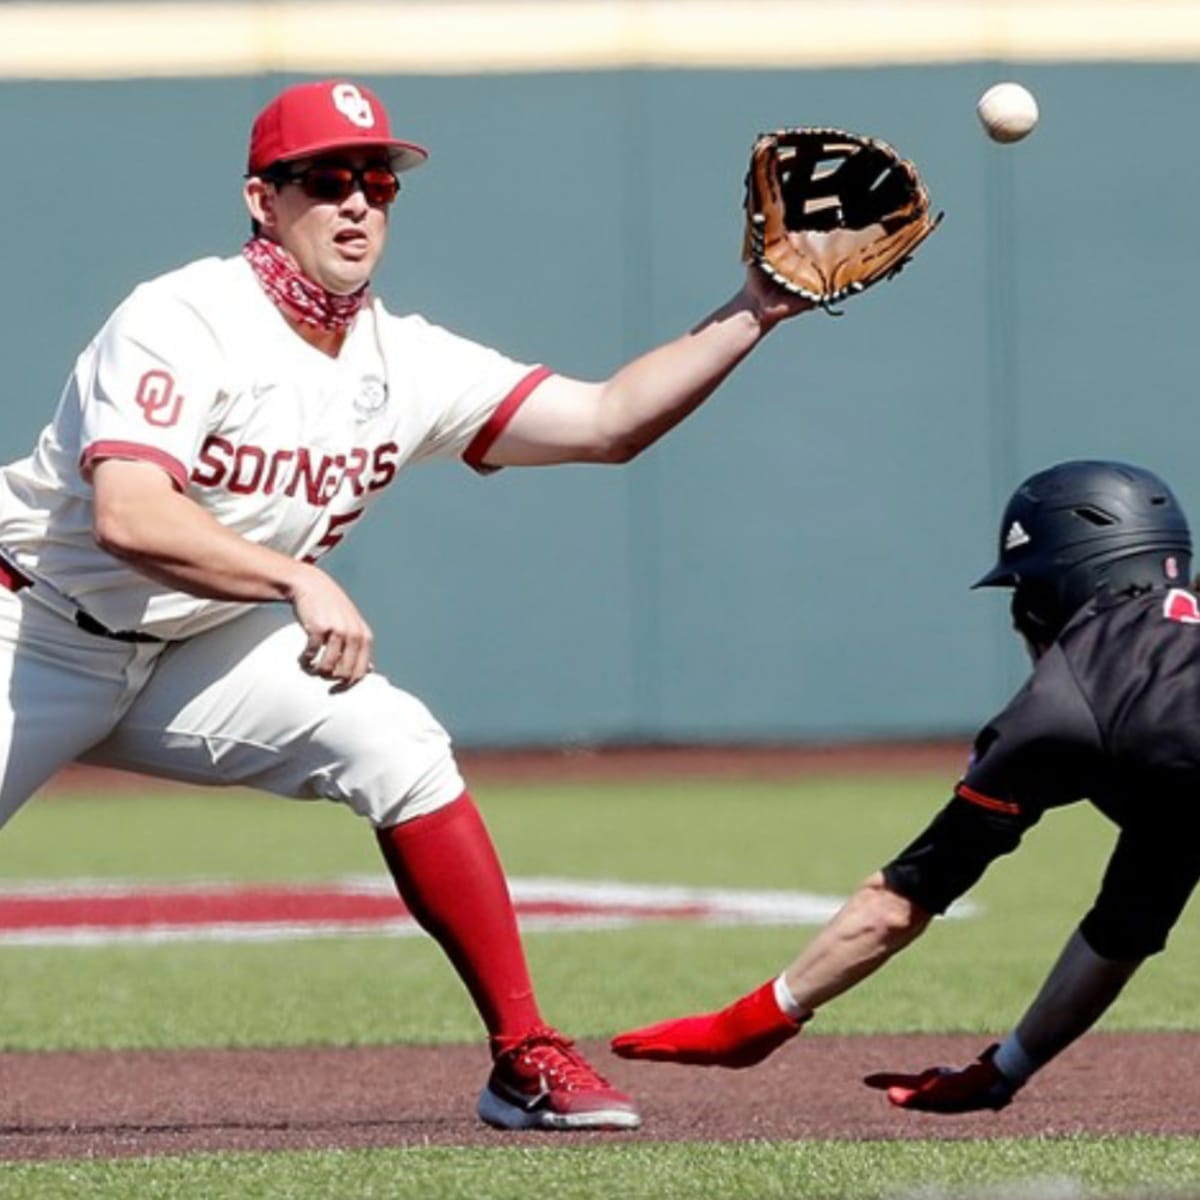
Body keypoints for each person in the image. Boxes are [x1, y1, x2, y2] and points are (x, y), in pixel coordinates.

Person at [0, 78, 820, 1132]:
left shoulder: (406, 358)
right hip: (31, 622)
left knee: (398, 745)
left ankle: (525, 1056)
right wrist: (293, 576)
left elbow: (608, 420)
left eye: (377, 182)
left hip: (193, 643)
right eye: (325, 180)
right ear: (264, 200)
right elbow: (128, 513)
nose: (357, 204)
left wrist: (752, 310)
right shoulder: (182, 316)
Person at [613, 459, 1200, 1113]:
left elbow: (897, 906)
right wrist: (1005, 1069)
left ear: (1050, 589)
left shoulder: (1063, 708)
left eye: (1021, 594)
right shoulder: (1159, 702)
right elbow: (1124, 925)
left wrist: (749, 1023)